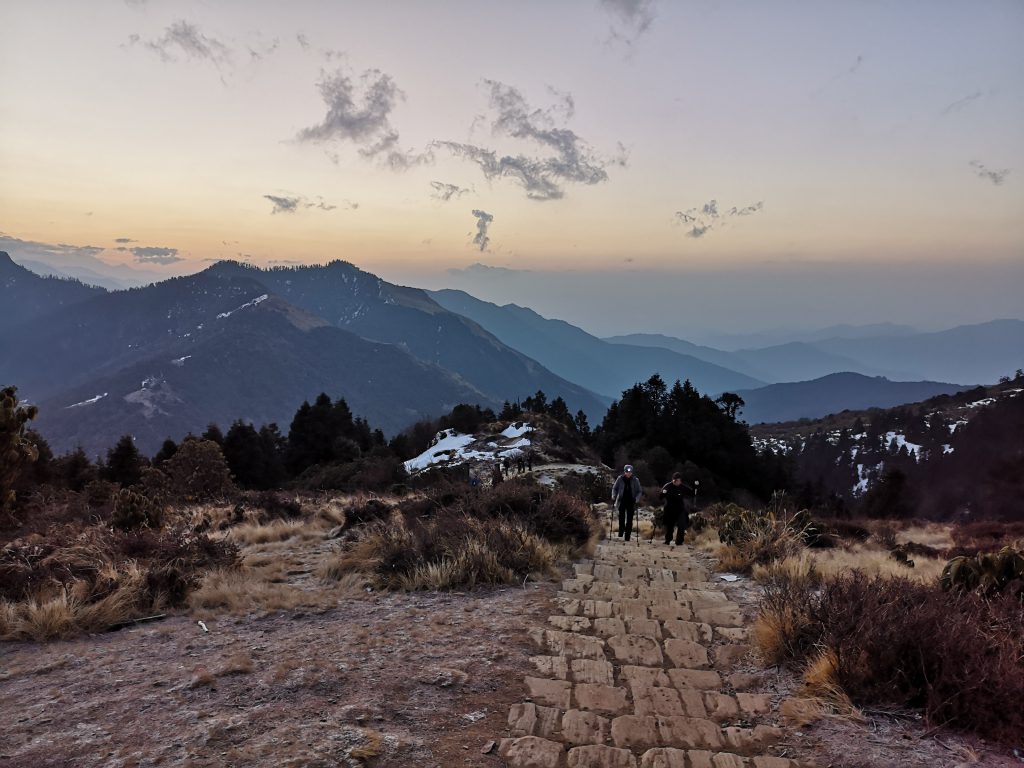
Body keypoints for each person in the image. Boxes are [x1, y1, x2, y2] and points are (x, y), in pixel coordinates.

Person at [660, 472, 693, 546]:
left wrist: (696, 487)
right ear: (672, 480)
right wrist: (663, 493)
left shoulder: (683, 487)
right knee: (670, 526)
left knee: (682, 525)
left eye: (677, 480)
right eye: (674, 480)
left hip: (680, 509)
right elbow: (660, 497)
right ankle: (667, 540)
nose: (675, 482)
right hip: (669, 509)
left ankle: (679, 542)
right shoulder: (667, 486)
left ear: (680, 480)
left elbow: (692, 493)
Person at [611, 464, 642, 541]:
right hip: (621, 501)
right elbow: (614, 488)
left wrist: (637, 499)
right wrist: (614, 496)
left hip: (631, 501)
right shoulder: (620, 478)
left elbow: (639, 491)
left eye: (630, 472)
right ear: (624, 472)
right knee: (621, 517)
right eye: (627, 472)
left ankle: (627, 535)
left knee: (629, 519)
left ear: (632, 472)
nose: (629, 473)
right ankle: (621, 532)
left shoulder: (635, 480)